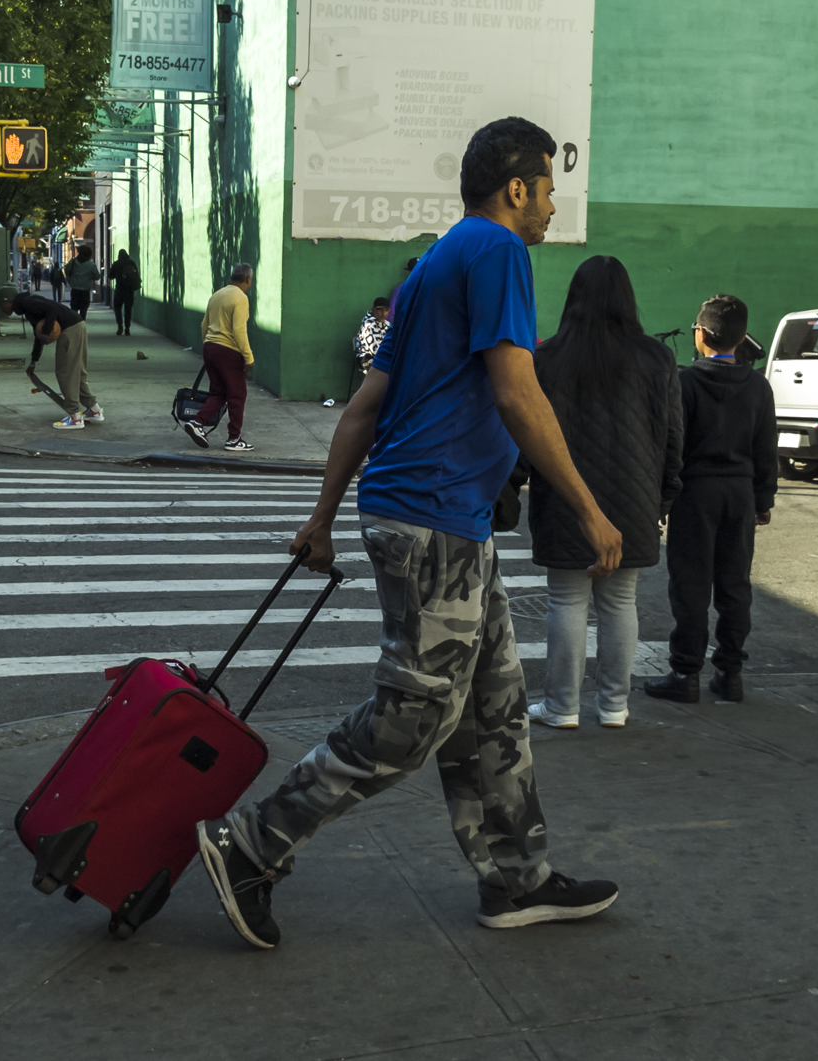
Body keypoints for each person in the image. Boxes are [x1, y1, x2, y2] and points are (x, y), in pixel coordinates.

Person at [195, 116, 625, 952]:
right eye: (547, 190)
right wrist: (587, 504)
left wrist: (323, 519)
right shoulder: (498, 254)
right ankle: (252, 842)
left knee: (495, 708)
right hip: (433, 521)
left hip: (432, 517)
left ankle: (516, 877)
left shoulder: (434, 263)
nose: (550, 207)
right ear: (516, 187)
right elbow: (516, 392)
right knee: (416, 716)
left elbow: (365, 405)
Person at [524, 256, 682, 730]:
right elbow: (673, 438)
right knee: (620, 603)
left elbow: (528, 432)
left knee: (566, 600)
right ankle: (614, 706)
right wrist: (663, 501)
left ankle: (561, 707)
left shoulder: (547, 358)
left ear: (573, 299)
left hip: (565, 501)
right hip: (634, 505)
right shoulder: (657, 358)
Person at [643, 294, 778, 705]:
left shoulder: (684, 384)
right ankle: (730, 672)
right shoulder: (758, 386)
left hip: (694, 494)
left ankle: (685, 672)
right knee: (735, 584)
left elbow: (671, 447)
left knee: (690, 585)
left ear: (701, 334)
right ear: (741, 339)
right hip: (739, 495)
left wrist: (662, 500)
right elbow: (765, 448)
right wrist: (763, 499)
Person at [1, 284, 102, 430]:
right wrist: (34, 361)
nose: (1, 308)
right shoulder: (28, 304)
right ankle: (93, 409)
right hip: (77, 325)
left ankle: (75, 417)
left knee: (65, 372)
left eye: (1, 305)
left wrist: (47, 332)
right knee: (76, 372)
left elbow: (52, 311)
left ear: (7, 302)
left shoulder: (27, 303)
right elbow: (38, 335)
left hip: (70, 330)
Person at [184, 264, 257, 453]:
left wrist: (209, 347)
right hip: (228, 351)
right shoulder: (240, 298)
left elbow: (204, 325)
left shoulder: (217, 295)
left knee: (219, 393)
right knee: (237, 395)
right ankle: (234, 439)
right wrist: (248, 357)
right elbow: (239, 330)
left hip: (210, 347)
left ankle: (197, 422)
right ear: (248, 279)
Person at [352, 297, 391, 382]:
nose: (384, 314)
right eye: (380, 310)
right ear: (373, 310)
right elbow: (374, 351)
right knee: (385, 368)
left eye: (386, 310)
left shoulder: (387, 324)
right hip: (366, 359)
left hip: (382, 357)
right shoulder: (368, 325)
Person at [64, 242, 100, 319]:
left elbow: (67, 271)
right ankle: (82, 326)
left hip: (75, 289)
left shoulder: (73, 262)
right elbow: (97, 276)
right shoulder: (91, 264)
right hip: (85, 290)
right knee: (83, 311)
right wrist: (89, 276)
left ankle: (74, 325)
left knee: (74, 310)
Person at [111, 249, 142, 335]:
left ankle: (120, 326)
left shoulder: (116, 264)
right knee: (128, 309)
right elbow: (136, 275)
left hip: (119, 289)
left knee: (117, 308)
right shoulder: (131, 263)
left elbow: (110, 275)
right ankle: (127, 328)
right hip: (129, 290)